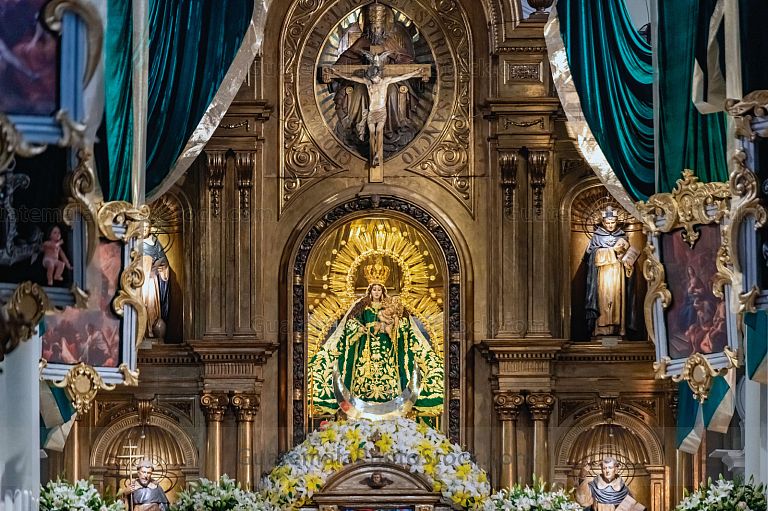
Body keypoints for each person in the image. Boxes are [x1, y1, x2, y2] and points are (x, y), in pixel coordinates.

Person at [309, 258, 444, 416]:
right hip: (365, 351)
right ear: (370, 291)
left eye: (379, 290)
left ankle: (394, 403)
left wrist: (392, 327)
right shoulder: (361, 306)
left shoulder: (391, 306)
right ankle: (359, 404)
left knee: (391, 377)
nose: (377, 292)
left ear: (383, 291)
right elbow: (350, 324)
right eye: (374, 290)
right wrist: (362, 329)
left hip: (388, 351)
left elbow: (404, 326)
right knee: (362, 378)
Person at [329, 3, 421, 157]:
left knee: (392, 93)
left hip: (389, 81)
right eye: (373, 28)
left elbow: (405, 61)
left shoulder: (390, 42)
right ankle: (358, 131)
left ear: (383, 27)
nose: (375, 30)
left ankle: (390, 131)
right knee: (359, 92)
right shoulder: (362, 42)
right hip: (364, 79)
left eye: (378, 27)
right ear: (368, 27)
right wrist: (339, 69)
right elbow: (346, 59)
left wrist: (403, 63)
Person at [326, 62, 426, 168]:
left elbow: (402, 77)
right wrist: (336, 73)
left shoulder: (385, 82)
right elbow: (350, 78)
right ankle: (374, 154)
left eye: (374, 78)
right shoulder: (368, 83)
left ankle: (377, 154)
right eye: (371, 78)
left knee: (378, 131)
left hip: (381, 112)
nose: (373, 80)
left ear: (378, 75)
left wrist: (416, 72)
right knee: (372, 133)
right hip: (371, 113)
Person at [585, 207, 634, 337]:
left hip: (618, 273)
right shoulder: (597, 237)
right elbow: (591, 255)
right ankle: (601, 330)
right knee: (604, 298)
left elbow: (627, 257)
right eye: (607, 223)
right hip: (603, 273)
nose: (610, 225)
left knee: (617, 298)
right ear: (603, 222)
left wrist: (628, 263)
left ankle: (617, 329)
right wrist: (612, 251)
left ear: (617, 222)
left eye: (613, 222)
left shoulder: (622, 236)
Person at [576, 457, 645, 511]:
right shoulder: (594, 486)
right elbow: (582, 500)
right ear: (601, 470)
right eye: (604, 468)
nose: (607, 471)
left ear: (616, 469)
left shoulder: (624, 490)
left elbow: (633, 508)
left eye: (610, 468)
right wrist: (582, 476)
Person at [141, 235, 171, 340]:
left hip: (152, 282)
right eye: (144, 227)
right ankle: (142, 332)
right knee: (142, 304)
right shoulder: (136, 242)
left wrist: (162, 266)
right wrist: (146, 264)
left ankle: (151, 332)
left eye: (147, 227)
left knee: (152, 306)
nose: (145, 229)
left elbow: (164, 264)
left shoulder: (156, 244)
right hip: (141, 281)